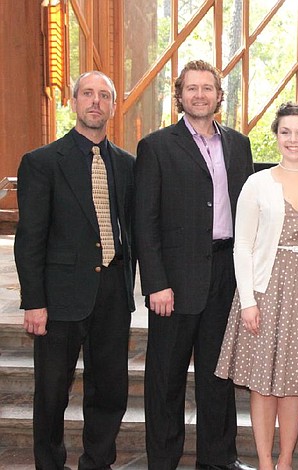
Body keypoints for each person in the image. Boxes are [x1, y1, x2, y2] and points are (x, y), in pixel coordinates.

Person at [135, 60, 254, 470]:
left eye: (208, 88)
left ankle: (218, 459)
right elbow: (144, 222)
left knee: (218, 378)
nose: (200, 95)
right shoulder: (156, 146)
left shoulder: (240, 144)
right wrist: (155, 283)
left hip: (225, 274)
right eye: (192, 88)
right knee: (165, 379)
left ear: (220, 95)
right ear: (179, 95)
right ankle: (164, 461)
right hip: (175, 281)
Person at [15, 71, 136, 470]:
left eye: (104, 95)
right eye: (88, 93)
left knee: (109, 392)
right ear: (73, 101)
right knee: (52, 394)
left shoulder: (127, 164)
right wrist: (33, 302)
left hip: (112, 294)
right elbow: (30, 238)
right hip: (59, 296)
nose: (96, 101)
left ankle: (97, 463)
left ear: (113, 106)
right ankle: (49, 464)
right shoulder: (42, 162)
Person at [215, 102, 298, 470]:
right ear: (276, 135)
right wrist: (248, 300)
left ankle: (285, 461)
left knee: (294, 379)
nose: (293, 139)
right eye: (286, 132)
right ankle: (265, 462)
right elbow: (243, 246)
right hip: (265, 290)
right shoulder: (257, 183)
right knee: (262, 381)